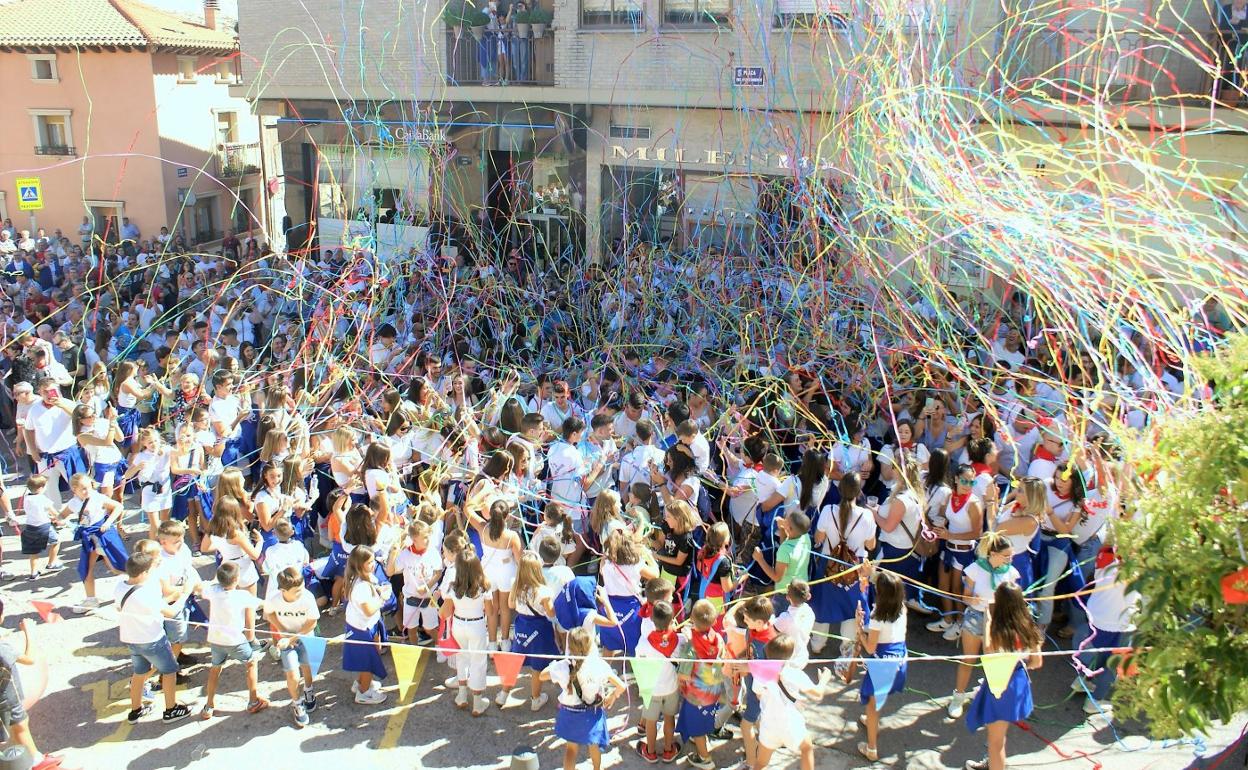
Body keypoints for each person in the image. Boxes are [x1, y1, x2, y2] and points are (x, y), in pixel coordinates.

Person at [964, 583, 1044, 770]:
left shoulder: (996, 629)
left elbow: (988, 654)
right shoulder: (1028, 627)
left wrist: (987, 619)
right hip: (1017, 680)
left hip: (1000, 682)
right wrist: (1019, 661)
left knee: (996, 741)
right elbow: (1037, 662)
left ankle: (994, 764)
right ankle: (992, 763)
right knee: (998, 734)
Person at [114, 550, 193, 725]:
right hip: (152, 639)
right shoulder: (146, 594)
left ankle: (136, 710)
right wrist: (185, 593)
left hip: (132, 638)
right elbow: (171, 612)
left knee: (139, 673)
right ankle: (171, 709)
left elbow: (119, 608)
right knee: (170, 671)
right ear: (144, 574)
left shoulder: (120, 586)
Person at [949, 531, 1019, 719]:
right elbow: (965, 598)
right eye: (1006, 556)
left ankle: (989, 696)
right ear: (993, 554)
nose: (1010, 559)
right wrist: (973, 598)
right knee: (968, 659)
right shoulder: (974, 569)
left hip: (998, 621)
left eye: (1011, 555)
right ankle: (958, 696)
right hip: (975, 618)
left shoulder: (1011, 573)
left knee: (993, 662)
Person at [542, 626, 627, 770]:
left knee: (571, 749)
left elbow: (542, 675)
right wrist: (613, 696)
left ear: (569, 646)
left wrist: (556, 664)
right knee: (594, 745)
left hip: (570, 712)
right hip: (592, 712)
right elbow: (622, 686)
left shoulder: (564, 666)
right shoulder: (598, 664)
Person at [751, 634, 835, 770]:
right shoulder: (795, 674)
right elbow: (818, 694)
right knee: (807, 748)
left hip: (769, 724)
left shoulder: (760, 674)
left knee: (760, 763)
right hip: (790, 723)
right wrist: (825, 678)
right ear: (790, 656)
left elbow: (758, 695)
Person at [200, 561, 268, 719]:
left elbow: (203, 589)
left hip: (216, 639)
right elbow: (262, 604)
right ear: (236, 580)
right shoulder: (241, 596)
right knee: (251, 662)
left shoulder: (213, 591)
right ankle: (253, 701)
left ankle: (209, 705)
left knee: (215, 668)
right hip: (235, 640)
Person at [0, 599, 63, 769]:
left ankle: (32, 758)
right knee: (20, 725)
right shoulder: (2, 648)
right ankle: (36, 761)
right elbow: (29, 659)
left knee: (14, 727)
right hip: (6, 696)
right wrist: (29, 633)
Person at [856, 572, 908, 762]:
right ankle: (871, 721)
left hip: (883, 664)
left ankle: (871, 748)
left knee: (873, 705)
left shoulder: (878, 616)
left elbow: (870, 647)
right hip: (899, 659)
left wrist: (860, 631)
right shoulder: (902, 608)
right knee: (879, 699)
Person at [264, 566, 322, 728]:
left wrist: (292, 638)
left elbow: (313, 622)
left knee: (307, 667)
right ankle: (297, 703)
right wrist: (282, 631)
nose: (301, 592)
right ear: (283, 590)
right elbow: (270, 614)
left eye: (302, 588)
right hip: (287, 641)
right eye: (296, 591)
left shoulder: (308, 597)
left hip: (304, 638)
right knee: (293, 675)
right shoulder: (273, 599)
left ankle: (309, 690)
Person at [62, 473, 127, 613]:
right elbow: (62, 515)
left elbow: (118, 507)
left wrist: (109, 522)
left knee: (117, 566)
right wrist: (57, 519)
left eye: (89, 487)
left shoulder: (98, 498)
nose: (87, 491)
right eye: (83, 489)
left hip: (103, 535)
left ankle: (138, 586)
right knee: (86, 568)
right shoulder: (73, 503)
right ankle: (91, 599)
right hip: (88, 537)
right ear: (74, 489)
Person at [501, 551, 558, 710]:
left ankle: (503, 693)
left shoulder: (516, 586)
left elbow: (511, 605)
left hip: (521, 625)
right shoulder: (544, 591)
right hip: (539, 629)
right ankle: (536, 698)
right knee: (537, 664)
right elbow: (551, 613)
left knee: (515, 659)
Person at [675, 599, 727, 770]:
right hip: (713, 691)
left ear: (691, 619)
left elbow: (683, 674)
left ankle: (704, 758)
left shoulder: (691, 647)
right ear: (714, 621)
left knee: (696, 727)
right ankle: (699, 735)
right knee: (704, 718)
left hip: (695, 696)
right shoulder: (718, 638)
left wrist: (679, 684)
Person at [440, 548, 491, 715]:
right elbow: (490, 613)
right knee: (478, 662)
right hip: (477, 625)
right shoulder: (484, 586)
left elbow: (444, 613)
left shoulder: (453, 588)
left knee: (461, 658)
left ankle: (462, 696)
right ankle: (477, 702)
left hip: (459, 625)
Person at [341, 544, 391, 705]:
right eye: (369, 562)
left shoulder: (365, 578)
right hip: (362, 628)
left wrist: (379, 590)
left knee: (371, 655)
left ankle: (362, 683)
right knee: (368, 661)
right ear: (359, 564)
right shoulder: (360, 586)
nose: (374, 564)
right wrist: (383, 598)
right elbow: (369, 610)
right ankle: (364, 692)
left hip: (368, 625)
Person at [634, 599, 682, 763]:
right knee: (669, 718)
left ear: (652, 620)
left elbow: (638, 660)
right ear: (672, 620)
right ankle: (669, 750)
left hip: (652, 688)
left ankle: (651, 751)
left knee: (651, 722)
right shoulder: (679, 640)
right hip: (671, 687)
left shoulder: (644, 642)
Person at [387, 519, 442, 646]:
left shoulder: (432, 552)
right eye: (425, 538)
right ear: (414, 539)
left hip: (429, 599)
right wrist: (394, 551)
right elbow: (390, 572)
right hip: (411, 598)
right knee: (411, 629)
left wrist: (427, 586)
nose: (428, 540)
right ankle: (414, 651)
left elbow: (438, 572)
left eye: (428, 537)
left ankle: (441, 648)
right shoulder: (405, 554)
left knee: (430, 629)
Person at [752, 510, 812, 615]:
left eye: (786, 521)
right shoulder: (805, 536)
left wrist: (760, 559)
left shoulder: (785, 550)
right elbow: (787, 544)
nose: (783, 521)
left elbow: (777, 577)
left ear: (789, 529)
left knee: (780, 623)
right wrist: (782, 529)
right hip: (800, 589)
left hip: (785, 595)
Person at [18, 475, 63, 579]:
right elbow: (55, 513)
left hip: (30, 527)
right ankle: (51, 563)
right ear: (40, 488)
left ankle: (34, 573)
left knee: (34, 551)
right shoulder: (42, 499)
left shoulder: (27, 498)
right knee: (56, 541)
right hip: (44, 527)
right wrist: (60, 520)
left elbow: (35, 511)